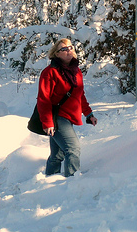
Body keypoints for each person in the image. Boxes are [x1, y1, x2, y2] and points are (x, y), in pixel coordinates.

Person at [37, 38, 97, 177]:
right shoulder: (50, 72)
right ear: (56, 54)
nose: (68, 51)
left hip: (69, 117)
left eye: (70, 47)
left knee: (57, 155)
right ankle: (72, 182)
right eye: (63, 49)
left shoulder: (76, 71)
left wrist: (89, 114)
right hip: (57, 117)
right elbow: (43, 99)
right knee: (73, 149)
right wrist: (47, 122)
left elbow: (79, 95)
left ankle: (50, 180)